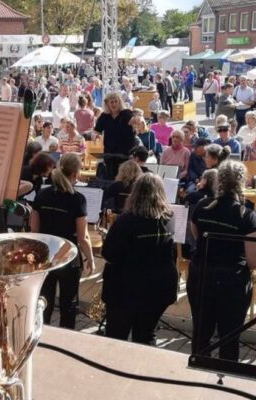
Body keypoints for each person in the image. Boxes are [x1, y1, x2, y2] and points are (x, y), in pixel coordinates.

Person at [189, 161, 256, 360]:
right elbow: (254, 261)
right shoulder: (247, 215)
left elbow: (197, 235)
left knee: (200, 333)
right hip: (232, 282)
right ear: (243, 182)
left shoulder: (202, 205)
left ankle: (196, 372)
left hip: (201, 275)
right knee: (229, 337)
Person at [101, 174, 178, 344]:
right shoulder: (169, 218)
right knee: (146, 334)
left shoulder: (125, 221)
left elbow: (109, 254)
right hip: (159, 287)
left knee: (116, 336)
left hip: (127, 289)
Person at [31, 154, 95, 328]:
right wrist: (90, 258)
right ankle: (65, 339)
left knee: (44, 301)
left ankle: (41, 335)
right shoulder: (77, 199)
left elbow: (34, 230)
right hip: (69, 256)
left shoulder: (42, 194)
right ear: (75, 174)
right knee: (69, 304)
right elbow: (83, 237)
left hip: (45, 255)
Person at [95, 92, 135, 179]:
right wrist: (95, 135)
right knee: (110, 178)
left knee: (124, 179)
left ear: (119, 102)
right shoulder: (104, 116)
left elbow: (134, 120)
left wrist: (135, 121)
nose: (114, 104)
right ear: (107, 104)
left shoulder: (126, 113)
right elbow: (97, 130)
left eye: (116, 101)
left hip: (126, 153)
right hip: (110, 153)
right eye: (111, 102)